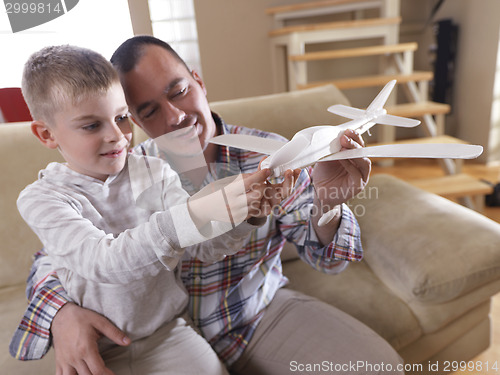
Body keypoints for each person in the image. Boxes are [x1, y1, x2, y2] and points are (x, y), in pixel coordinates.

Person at [11, 36, 404, 375]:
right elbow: (57, 257)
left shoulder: (270, 157)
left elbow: (330, 261)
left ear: (198, 81)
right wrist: (61, 314)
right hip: (155, 335)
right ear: (138, 118)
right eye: (147, 111)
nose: (175, 117)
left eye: (178, 91)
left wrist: (327, 205)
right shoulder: (122, 170)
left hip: (252, 317)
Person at [15, 44, 293, 375]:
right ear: (46, 133)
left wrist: (249, 213)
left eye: (121, 118)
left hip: (169, 335)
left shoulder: (153, 171)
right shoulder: (42, 199)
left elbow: (205, 248)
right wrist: (196, 215)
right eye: (92, 125)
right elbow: (104, 262)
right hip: (97, 348)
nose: (117, 137)